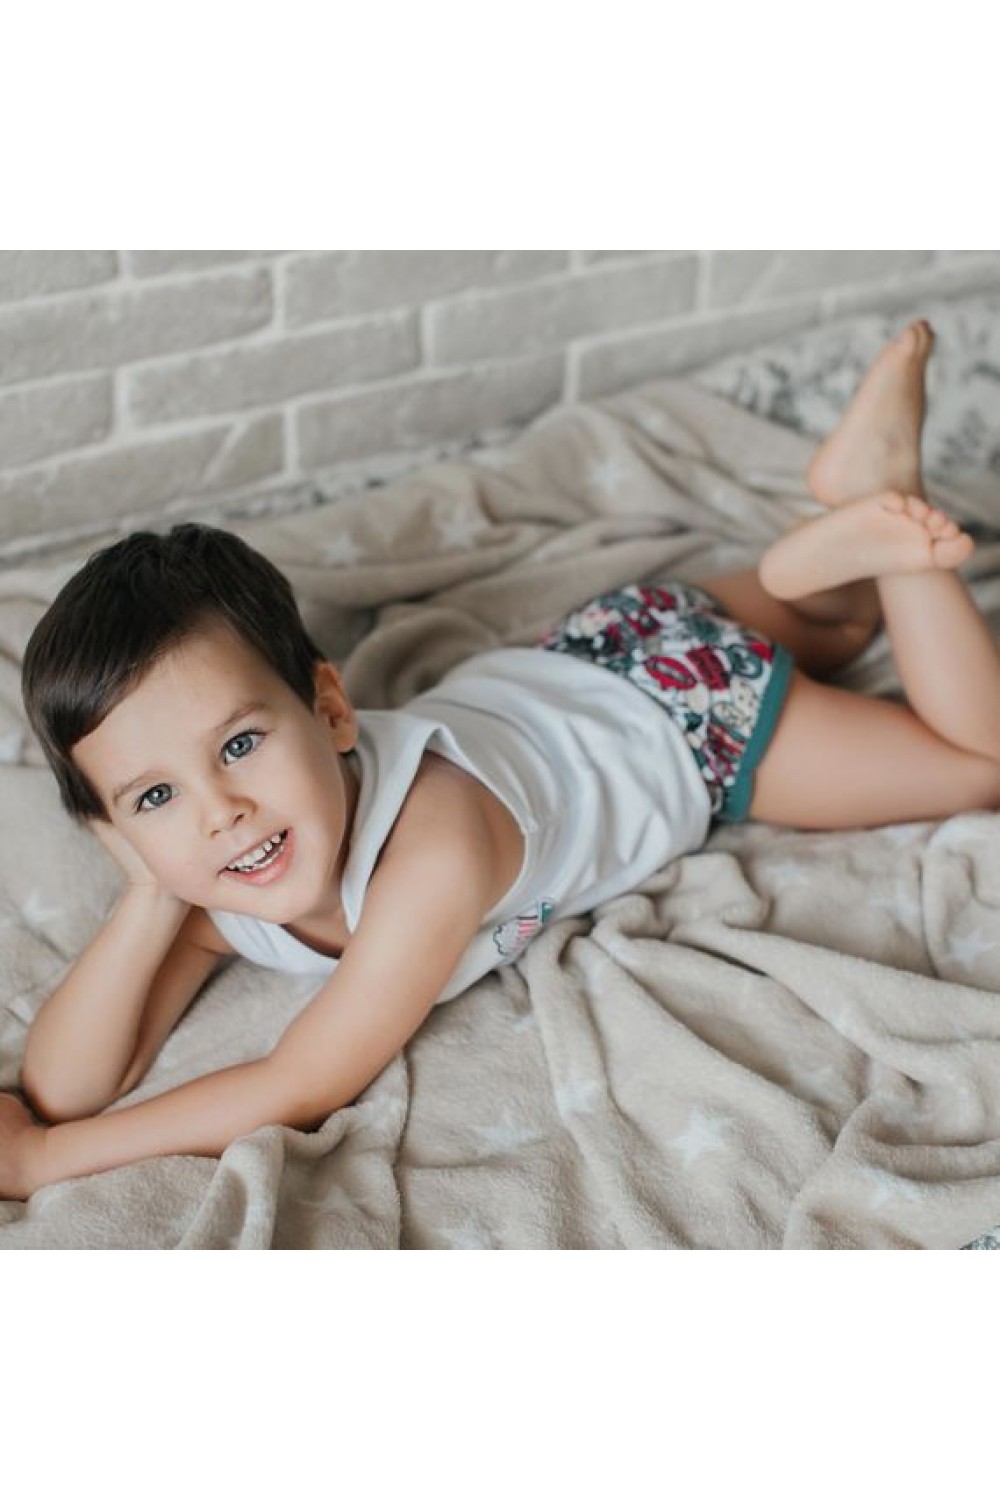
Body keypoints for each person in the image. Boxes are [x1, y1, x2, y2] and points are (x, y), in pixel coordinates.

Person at [2, 318, 998, 1201]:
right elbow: (65, 1083)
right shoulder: (223, 868)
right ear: (112, 824)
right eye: (155, 796)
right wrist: (151, 891)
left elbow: (302, 1079)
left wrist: (47, 1164)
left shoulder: (433, 851)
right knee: (842, 618)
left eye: (239, 745)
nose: (219, 810)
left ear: (330, 709)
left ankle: (896, 519)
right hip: (597, 643)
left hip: (685, 716)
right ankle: (837, 543)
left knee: (971, 764)